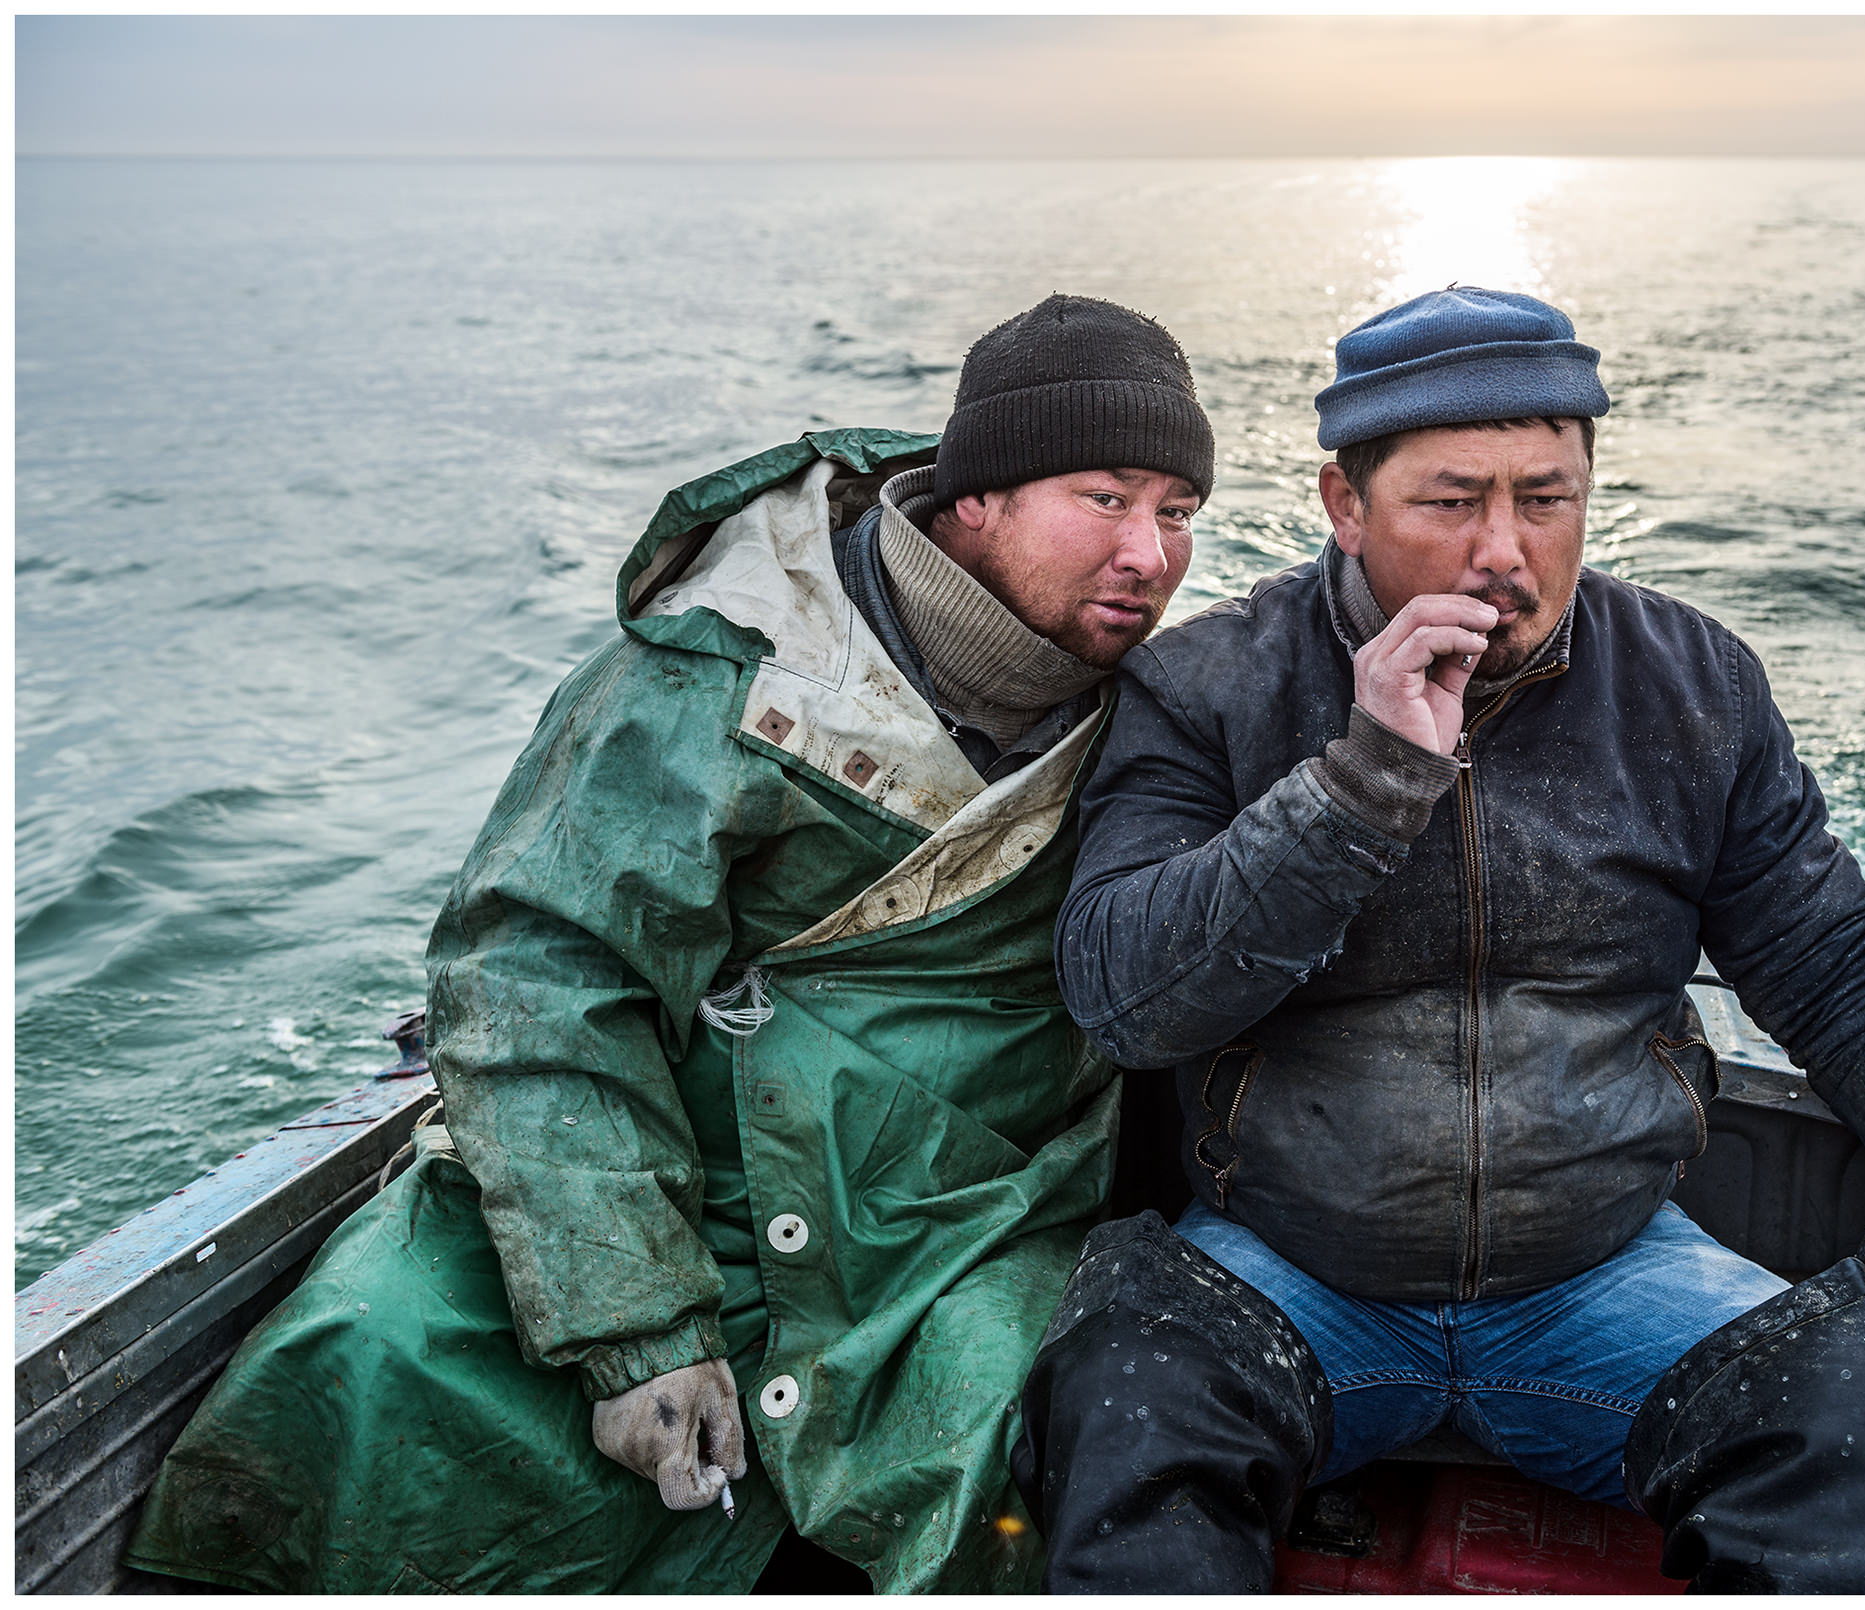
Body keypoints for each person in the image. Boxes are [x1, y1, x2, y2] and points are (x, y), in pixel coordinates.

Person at [1010, 287, 1865, 1593]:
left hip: (1607, 1279)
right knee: (1122, 1410)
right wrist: (1360, 786)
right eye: (1451, 501)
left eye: (1546, 498)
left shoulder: (1692, 685)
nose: (1503, 550)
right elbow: (1125, 995)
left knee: (1852, 1436)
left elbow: (1844, 968)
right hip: (1286, 1269)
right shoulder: (1209, 684)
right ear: (1345, 502)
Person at [125, 294, 1213, 1593]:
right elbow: (538, 968)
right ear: (974, 497)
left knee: (1039, 1449)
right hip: (673, 1169)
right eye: (1105, 499)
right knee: (370, 1348)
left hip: (966, 1213)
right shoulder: (723, 671)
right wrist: (635, 1326)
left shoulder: (1178, 711)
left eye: (1179, 513)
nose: (1150, 553)